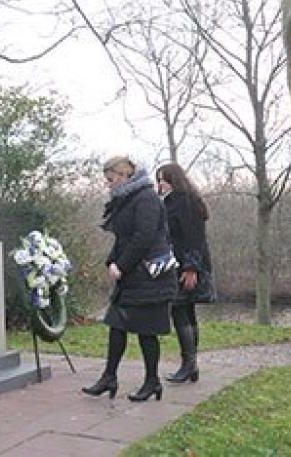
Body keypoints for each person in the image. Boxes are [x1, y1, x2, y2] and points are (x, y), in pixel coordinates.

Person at [82, 156, 178, 402]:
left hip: (150, 277)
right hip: (133, 277)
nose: (108, 184)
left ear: (124, 176)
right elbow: (123, 238)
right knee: (117, 326)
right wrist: (111, 262)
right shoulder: (127, 199)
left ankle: (152, 381)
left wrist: (121, 265)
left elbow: (144, 237)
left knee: (147, 332)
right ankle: (109, 377)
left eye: (110, 179)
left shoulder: (146, 199)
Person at [156, 163, 215, 383]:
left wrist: (191, 268)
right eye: (159, 179)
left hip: (187, 265)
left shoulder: (184, 201)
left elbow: (194, 237)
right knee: (185, 312)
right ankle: (191, 365)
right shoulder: (171, 201)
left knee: (180, 310)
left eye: (165, 179)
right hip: (176, 264)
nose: (161, 183)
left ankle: (188, 364)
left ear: (175, 179)